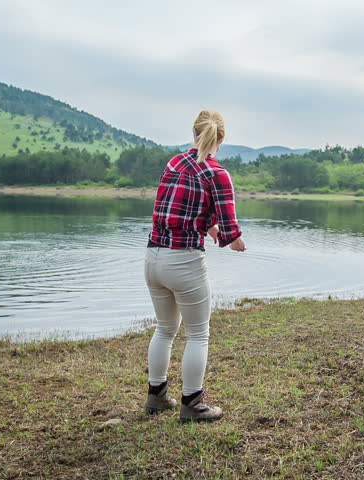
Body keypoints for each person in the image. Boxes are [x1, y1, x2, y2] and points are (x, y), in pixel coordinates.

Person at [144, 109, 246, 422]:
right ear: (222, 138)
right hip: (184, 260)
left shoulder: (174, 163)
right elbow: (231, 229)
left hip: (153, 257)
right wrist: (235, 241)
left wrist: (210, 228)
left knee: (165, 329)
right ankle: (192, 404)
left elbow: (178, 209)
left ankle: (156, 397)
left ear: (194, 133)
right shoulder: (217, 173)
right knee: (198, 335)